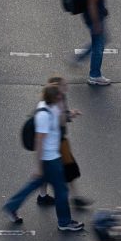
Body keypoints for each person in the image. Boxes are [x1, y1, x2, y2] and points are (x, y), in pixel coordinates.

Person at [2, 84, 84, 231]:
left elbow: (58, 121)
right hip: (50, 159)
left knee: (34, 184)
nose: (61, 97)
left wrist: (70, 114)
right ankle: (64, 222)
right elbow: (39, 142)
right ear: (52, 97)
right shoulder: (43, 116)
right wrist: (39, 166)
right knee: (62, 190)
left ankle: (11, 206)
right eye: (58, 96)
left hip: (52, 157)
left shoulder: (49, 106)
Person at [37, 75, 92, 207]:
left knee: (60, 169)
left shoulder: (58, 99)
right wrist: (66, 113)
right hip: (57, 143)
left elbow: (62, 117)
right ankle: (73, 198)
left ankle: (43, 195)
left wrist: (70, 113)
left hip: (59, 141)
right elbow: (60, 120)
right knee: (68, 168)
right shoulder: (56, 101)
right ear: (57, 88)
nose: (67, 87)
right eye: (64, 85)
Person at [74, 0, 113, 86]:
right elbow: (92, 4)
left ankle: (79, 58)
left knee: (100, 42)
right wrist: (96, 23)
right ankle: (94, 75)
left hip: (95, 17)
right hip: (94, 18)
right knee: (99, 45)